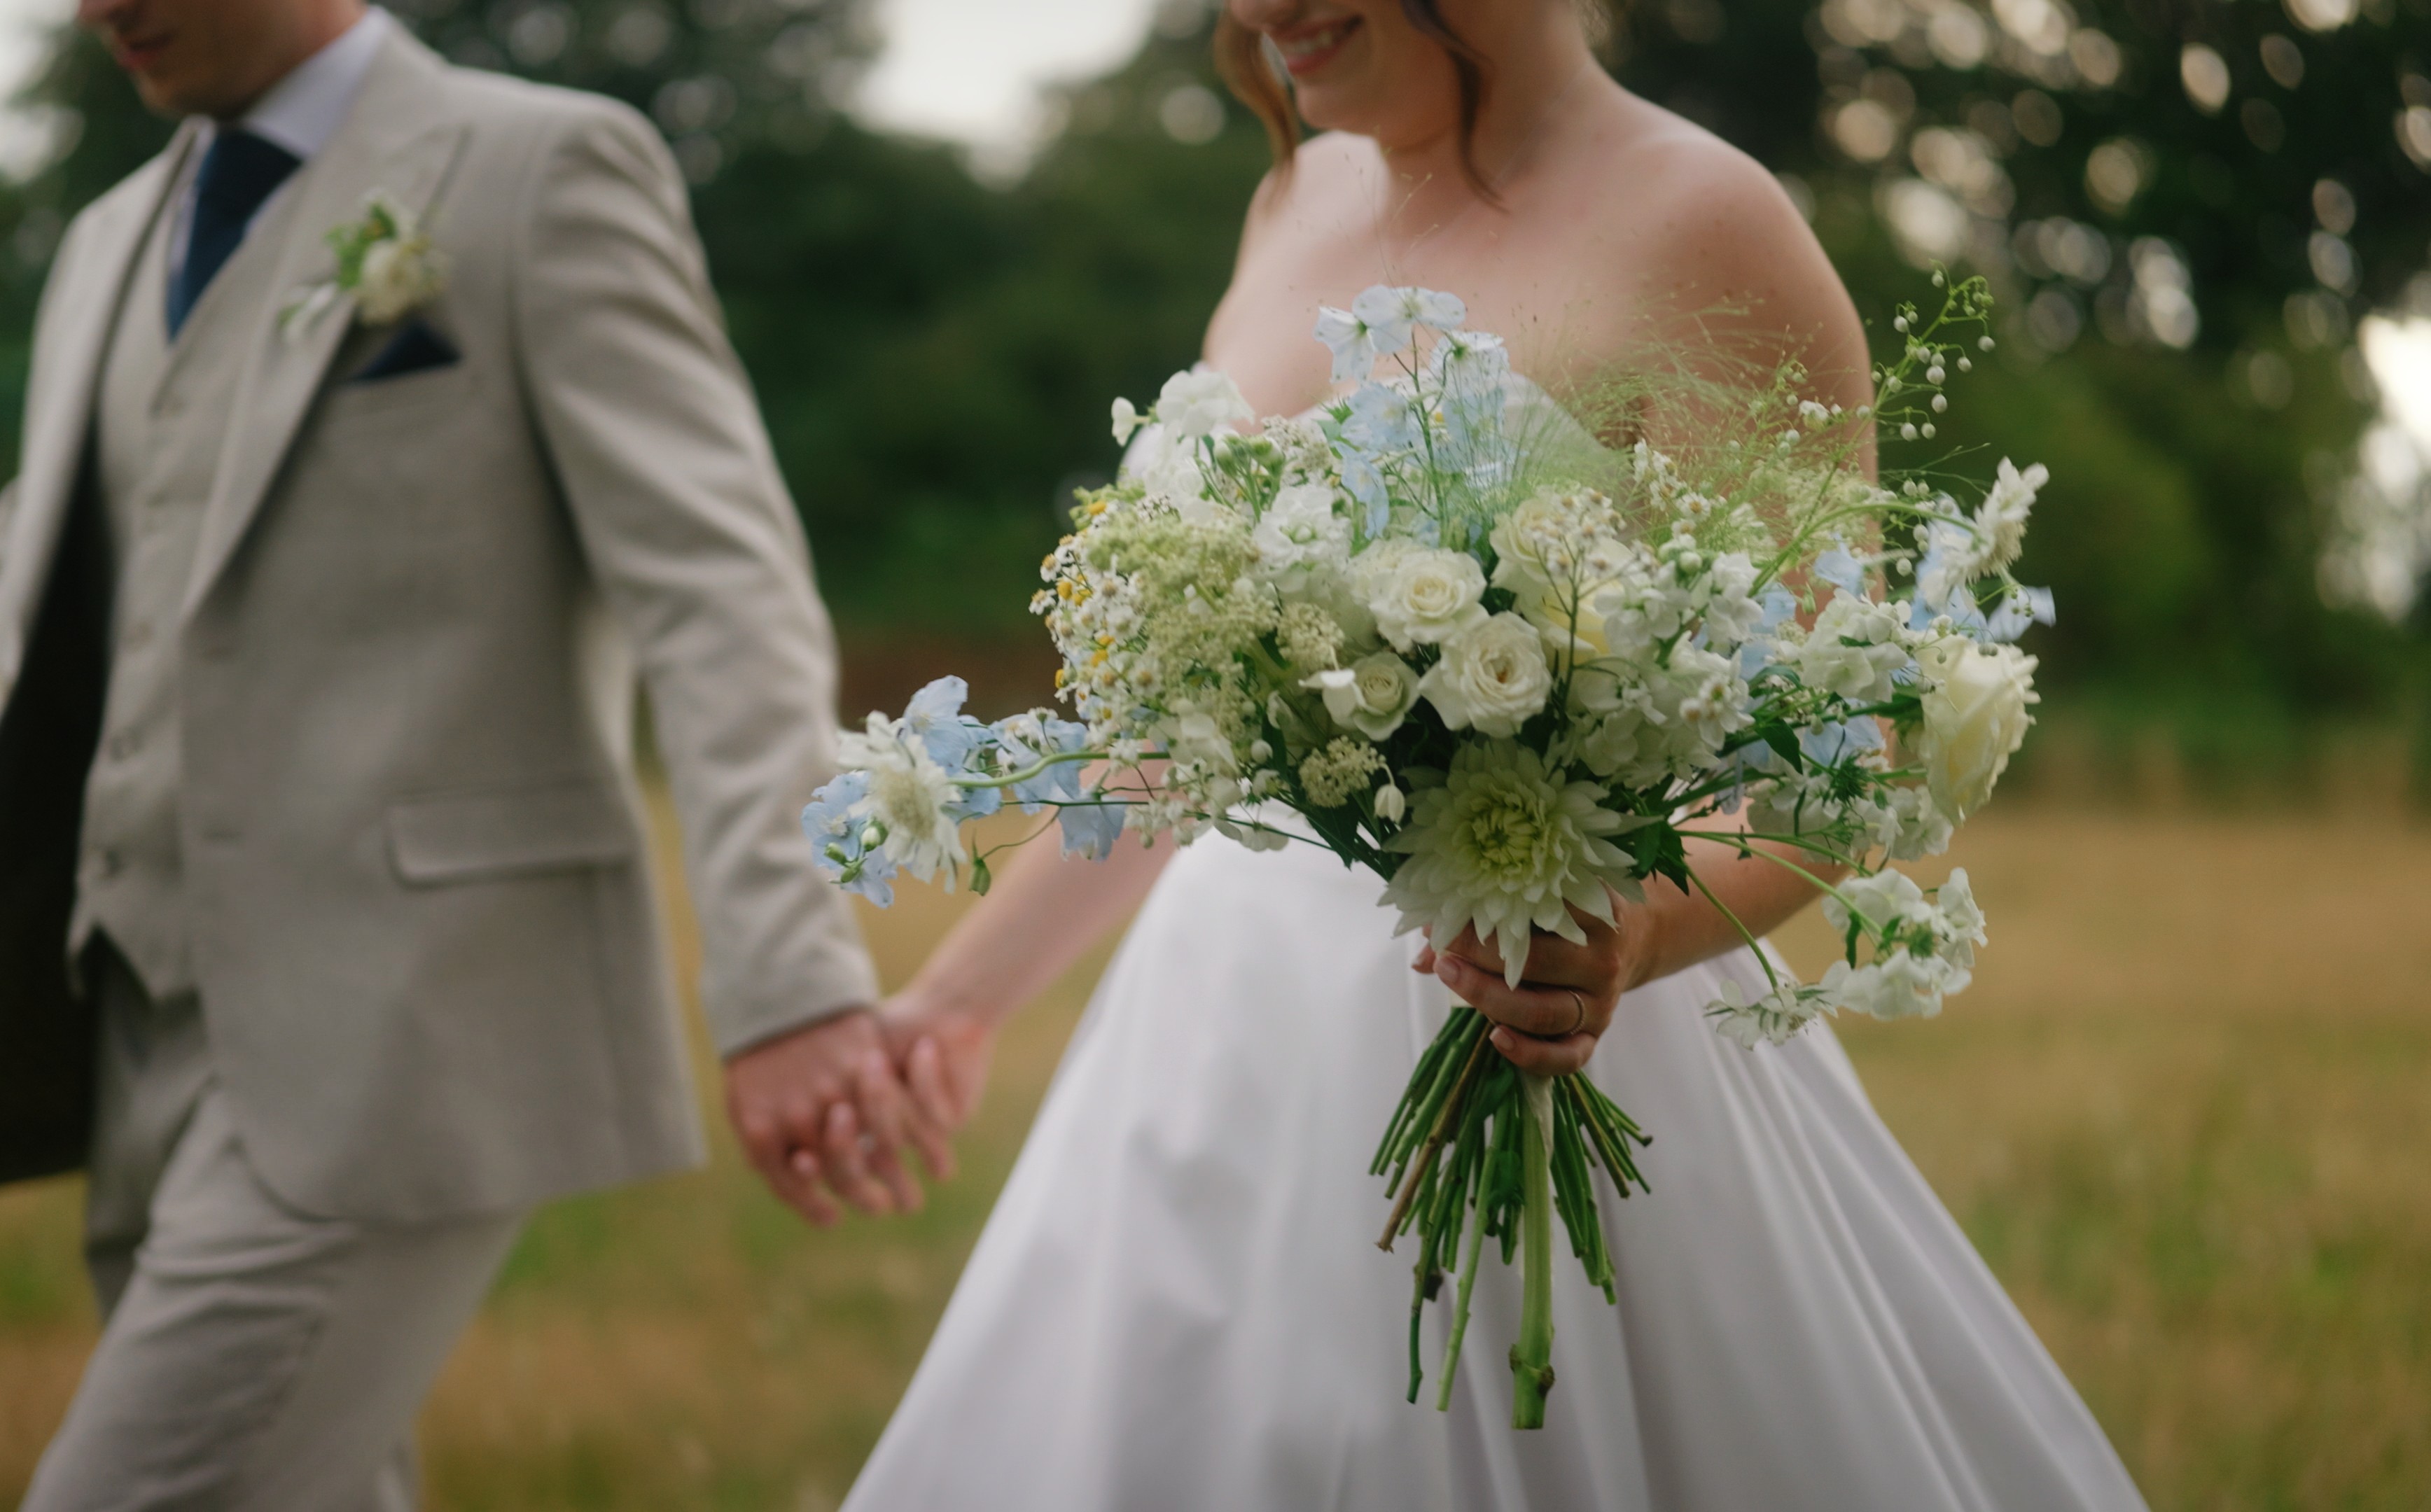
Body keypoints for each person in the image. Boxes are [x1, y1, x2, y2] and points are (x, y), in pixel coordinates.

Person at [843, 1, 2152, 1508]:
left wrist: (1636, 934)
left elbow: (1842, 739)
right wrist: (952, 1006)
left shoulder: (1704, 222)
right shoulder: (1291, 197)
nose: (1261, 13)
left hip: (1552, 1016)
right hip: (1213, 1060)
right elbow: (1185, 745)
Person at [0, 0, 944, 1504]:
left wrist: (789, 982)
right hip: (133, 1034)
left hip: (407, 1034)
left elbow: (722, 599)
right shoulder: (108, 242)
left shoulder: (542, 171)